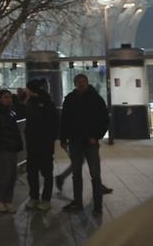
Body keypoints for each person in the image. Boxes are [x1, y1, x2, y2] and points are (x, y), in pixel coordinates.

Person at [59, 74, 110, 216]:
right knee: (76, 174)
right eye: (78, 82)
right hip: (75, 141)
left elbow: (104, 119)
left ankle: (98, 206)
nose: (81, 84)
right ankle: (77, 202)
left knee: (95, 174)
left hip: (90, 141)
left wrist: (96, 136)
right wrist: (63, 138)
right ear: (75, 84)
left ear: (87, 82)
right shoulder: (70, 99)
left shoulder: (95, 99)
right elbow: (65, 120)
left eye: (83, 82)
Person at [0, 89, 23, 213]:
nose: (9, 99)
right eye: (6, 97)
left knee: (12, 175)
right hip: (4, 149)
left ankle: (7, 200)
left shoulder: (11, 112)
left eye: (10, 97)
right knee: (4, 175)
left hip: (11, 147)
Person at [23, 79, 59, 211]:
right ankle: (34, 197)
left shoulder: (46, 103)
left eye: (27, 88)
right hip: (34, 144)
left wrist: (50, 139)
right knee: (32, 172)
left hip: (43, 144)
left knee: (45, 172)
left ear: (32, 90)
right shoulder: (30, 103)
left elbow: (54, 123)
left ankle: (45, 199)